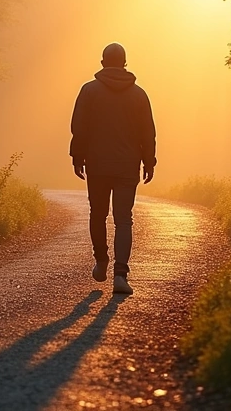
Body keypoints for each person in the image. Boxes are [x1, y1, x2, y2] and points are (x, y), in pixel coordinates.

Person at [69, 43, 156, 296]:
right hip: (128, 166)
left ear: (103, 62)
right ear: (125, 63)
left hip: (97, 165)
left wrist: (77, 157)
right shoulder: (139, 95)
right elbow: (148, 132)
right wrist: (149, 162)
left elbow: (79, 127)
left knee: (97, 215)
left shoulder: (89, 91)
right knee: (123, 219)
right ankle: (120, 275)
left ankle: (101, 260)